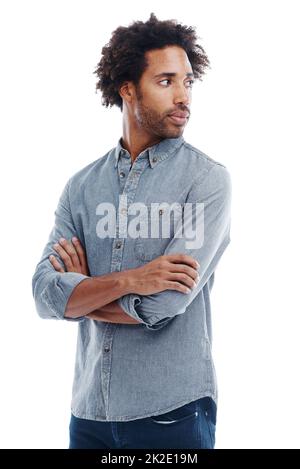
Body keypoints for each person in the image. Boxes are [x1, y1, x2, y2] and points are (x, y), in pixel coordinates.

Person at [32, 12, 232, 449]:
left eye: (188, 82)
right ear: (128, 89)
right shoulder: (82, 187)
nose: (183, 97)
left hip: (171, 415)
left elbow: (163, 305)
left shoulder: (206, 181)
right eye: (166, 82)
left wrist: (82, 295)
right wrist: (131, 281)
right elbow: (44, 293)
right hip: (88, 417)